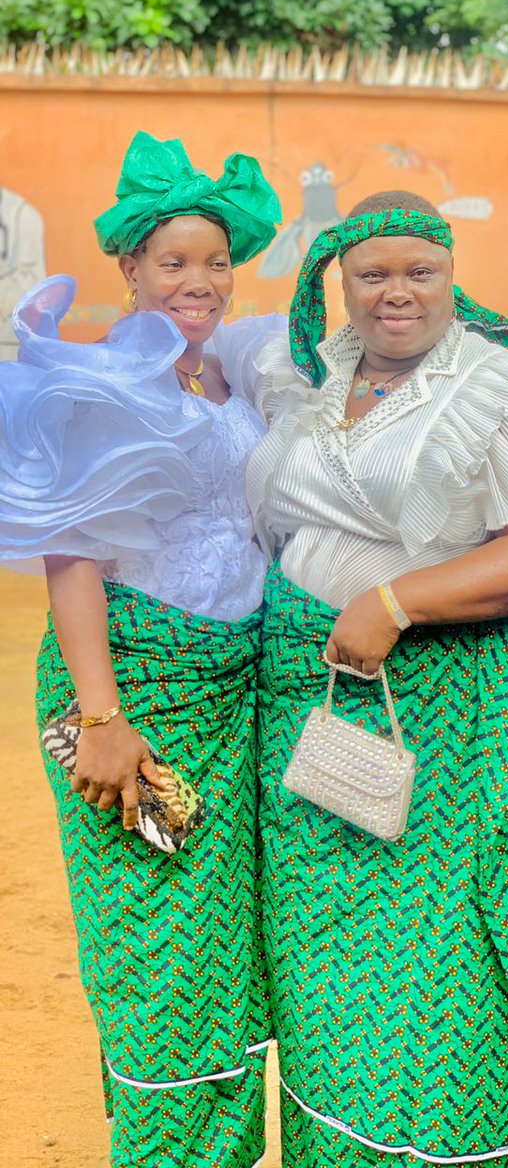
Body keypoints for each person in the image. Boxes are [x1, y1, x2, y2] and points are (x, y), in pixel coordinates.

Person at [244, 191, 508, 1165]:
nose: (397, 293)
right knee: (324, 985)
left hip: (448, 724)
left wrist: (395, 605)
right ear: (339, 283)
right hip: (304, 721)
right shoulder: (309, 375)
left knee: (440, 977)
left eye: (419, 272)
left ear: (450, 275)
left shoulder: (507, 385)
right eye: (373, 274)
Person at [0, 131, 284, 1167]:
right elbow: (69, 554)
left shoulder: (230, 384)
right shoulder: (97, 383)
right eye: (174, 262)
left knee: (221, 950)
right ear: (129, 268)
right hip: (135, 698)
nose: (198, 281)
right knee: (160, 952)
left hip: (238, 695)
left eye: (215, 262)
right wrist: (103, 719)